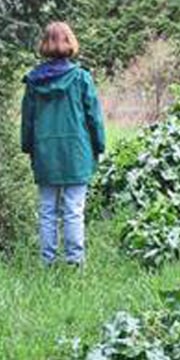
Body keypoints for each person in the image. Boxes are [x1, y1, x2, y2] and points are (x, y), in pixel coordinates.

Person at [21, 22, 105, 267]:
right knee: (73, 210)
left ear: (45, 45)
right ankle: (74, 263)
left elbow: (28, 121)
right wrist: (99, 146)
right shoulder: (81, 78)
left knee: (47, 211)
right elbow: (94, 117)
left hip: (46, 153)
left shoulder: (34, 82)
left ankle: (47, 263)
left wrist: (28, 147)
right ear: (70, 43)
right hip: (77, 153)